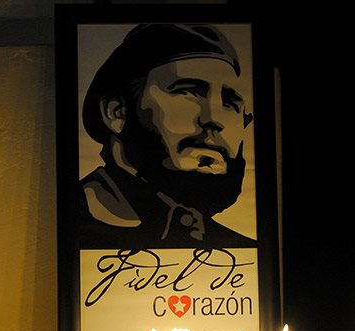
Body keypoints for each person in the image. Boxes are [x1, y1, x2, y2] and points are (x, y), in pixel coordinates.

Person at [79, 24, 256, 249]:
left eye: (230, 103)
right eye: (188, 92)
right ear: (117, 113)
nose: (214, 119)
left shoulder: (242, 249)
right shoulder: (75, 226)